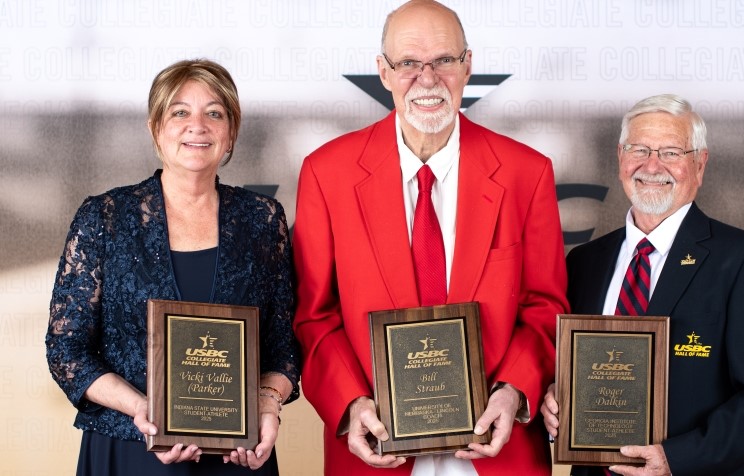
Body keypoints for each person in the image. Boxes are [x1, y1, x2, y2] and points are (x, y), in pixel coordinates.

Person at [292, 1, 569, 474]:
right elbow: (315, 316)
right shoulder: (326, 173)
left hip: (496, 449)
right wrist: (351, 402)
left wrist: (514, 390)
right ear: (383, 72)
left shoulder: (527, 172)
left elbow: (545, 306)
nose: (427, 79)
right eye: (408, 63)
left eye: (443, 60)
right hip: (378, 449)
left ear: (468, 66)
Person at [46, 59, 300, 476]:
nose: (197, 126)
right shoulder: (104, 218)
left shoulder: (263, 219)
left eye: (214, 113)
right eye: (180, 112)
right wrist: (141, 409)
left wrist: (268, 405)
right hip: (129, 451)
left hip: (237, 459)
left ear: (231, 132)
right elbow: (66, 350)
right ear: (155, 128)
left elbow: (283, 348)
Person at [540, 94, 744, 476]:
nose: (652, 165)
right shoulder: (585, 262)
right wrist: (554, 399)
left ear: (700, 164)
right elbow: (566, 369)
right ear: (620, 157)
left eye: (671, 152)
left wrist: (676, 458)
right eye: (639, 149)